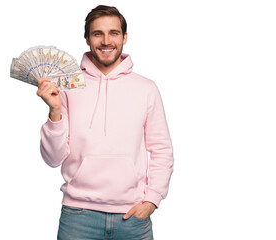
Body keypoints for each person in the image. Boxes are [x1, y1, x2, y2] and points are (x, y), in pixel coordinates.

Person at [36, 5, 174, 240]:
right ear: (87, 39)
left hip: (131, 218)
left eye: (114, 33)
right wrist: (55, 111)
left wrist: (152, 199)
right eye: (98, 33)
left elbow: (162, 149)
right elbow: (52, 159)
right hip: (78, 217)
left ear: (125, 37)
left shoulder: (146, 88)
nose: (106, 41)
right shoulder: (67, 86)